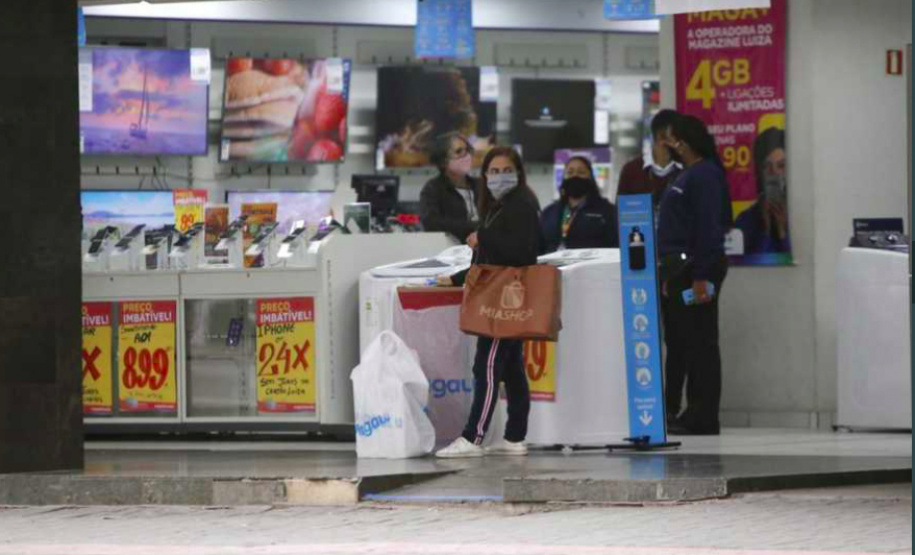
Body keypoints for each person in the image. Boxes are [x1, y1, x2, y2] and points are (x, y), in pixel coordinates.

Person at [435, 146, 541, 458]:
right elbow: (489, 260)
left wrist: (484, 237)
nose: (499, 177)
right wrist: (457, 277)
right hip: (505, 297)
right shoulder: (499, 207)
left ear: (518, 173)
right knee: (511, 367)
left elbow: (521, 253)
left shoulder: (519, 206)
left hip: (504, 300)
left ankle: (473, 437)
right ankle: (514, 436)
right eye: (493, 172)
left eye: (505, 170)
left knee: (488, 364)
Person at [658, 115, 733, 436]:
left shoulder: (704, 175)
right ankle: (689, 410)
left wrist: (702, 276)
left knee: (701, 343)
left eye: (671, 139)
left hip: (695, 270)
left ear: (684, 142)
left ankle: (703, 416)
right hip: (677, 269)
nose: (667, 145)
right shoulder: (686, 176)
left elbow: (708, 227)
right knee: (684, 343)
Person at [540, 156, 619, 253]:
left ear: (590, 177)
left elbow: (615, 245)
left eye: (581, 172)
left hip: (590, 266)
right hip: (553, 266)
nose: (575, 176)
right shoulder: (549, 212)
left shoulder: (606, 211)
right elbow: (539, 246)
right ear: (564, 177)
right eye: (570, 172)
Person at [734, 128, 789, 254]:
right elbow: (745, 265)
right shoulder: (746, 220)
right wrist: (766, 229)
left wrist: (782, 232)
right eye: (767, 166)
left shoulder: (799, 213)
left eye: (781, 166)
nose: (774, 173)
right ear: (759, 172)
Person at [419, 132, 480, 243]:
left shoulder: (481, 185)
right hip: (451, 249)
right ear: (443, 161)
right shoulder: (433, 189)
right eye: (458, 152)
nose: (466, 155)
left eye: (467, 150)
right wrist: (473, 227)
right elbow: (431, 223)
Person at [617, 109, 682, 209]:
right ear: (660, 137)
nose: (678, 142)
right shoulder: (631, 170)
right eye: (675, 136)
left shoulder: (686, 170)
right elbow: (621, 215)